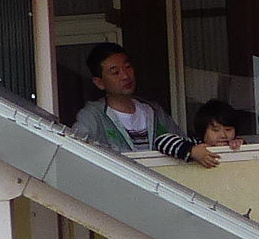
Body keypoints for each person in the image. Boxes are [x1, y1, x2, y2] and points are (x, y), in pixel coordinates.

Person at [72, 42, 220, 168]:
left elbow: (184, 144)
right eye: (115, 72)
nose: (125, 76)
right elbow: (75, 153)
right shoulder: (92, 116)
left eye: (128, 67)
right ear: (99, 83)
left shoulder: (153, 111)